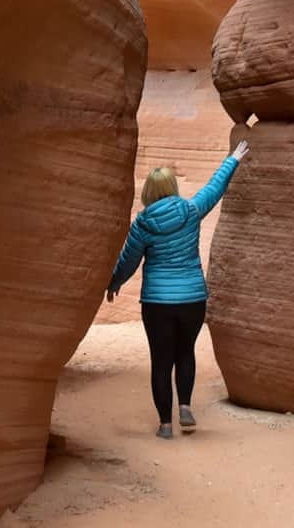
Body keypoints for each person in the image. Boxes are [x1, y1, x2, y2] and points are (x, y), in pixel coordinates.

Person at [106, 140, 249, 438]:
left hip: (158, 303)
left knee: (161, 361)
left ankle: (165, 425)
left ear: (149, 192)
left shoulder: (142, 225)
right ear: (172, 187)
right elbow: (214, 188)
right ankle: (185, 406)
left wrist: (115, 281)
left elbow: (128, 260)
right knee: (185, 352)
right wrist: (233, 159)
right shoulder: (192, 211)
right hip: (193, 298)